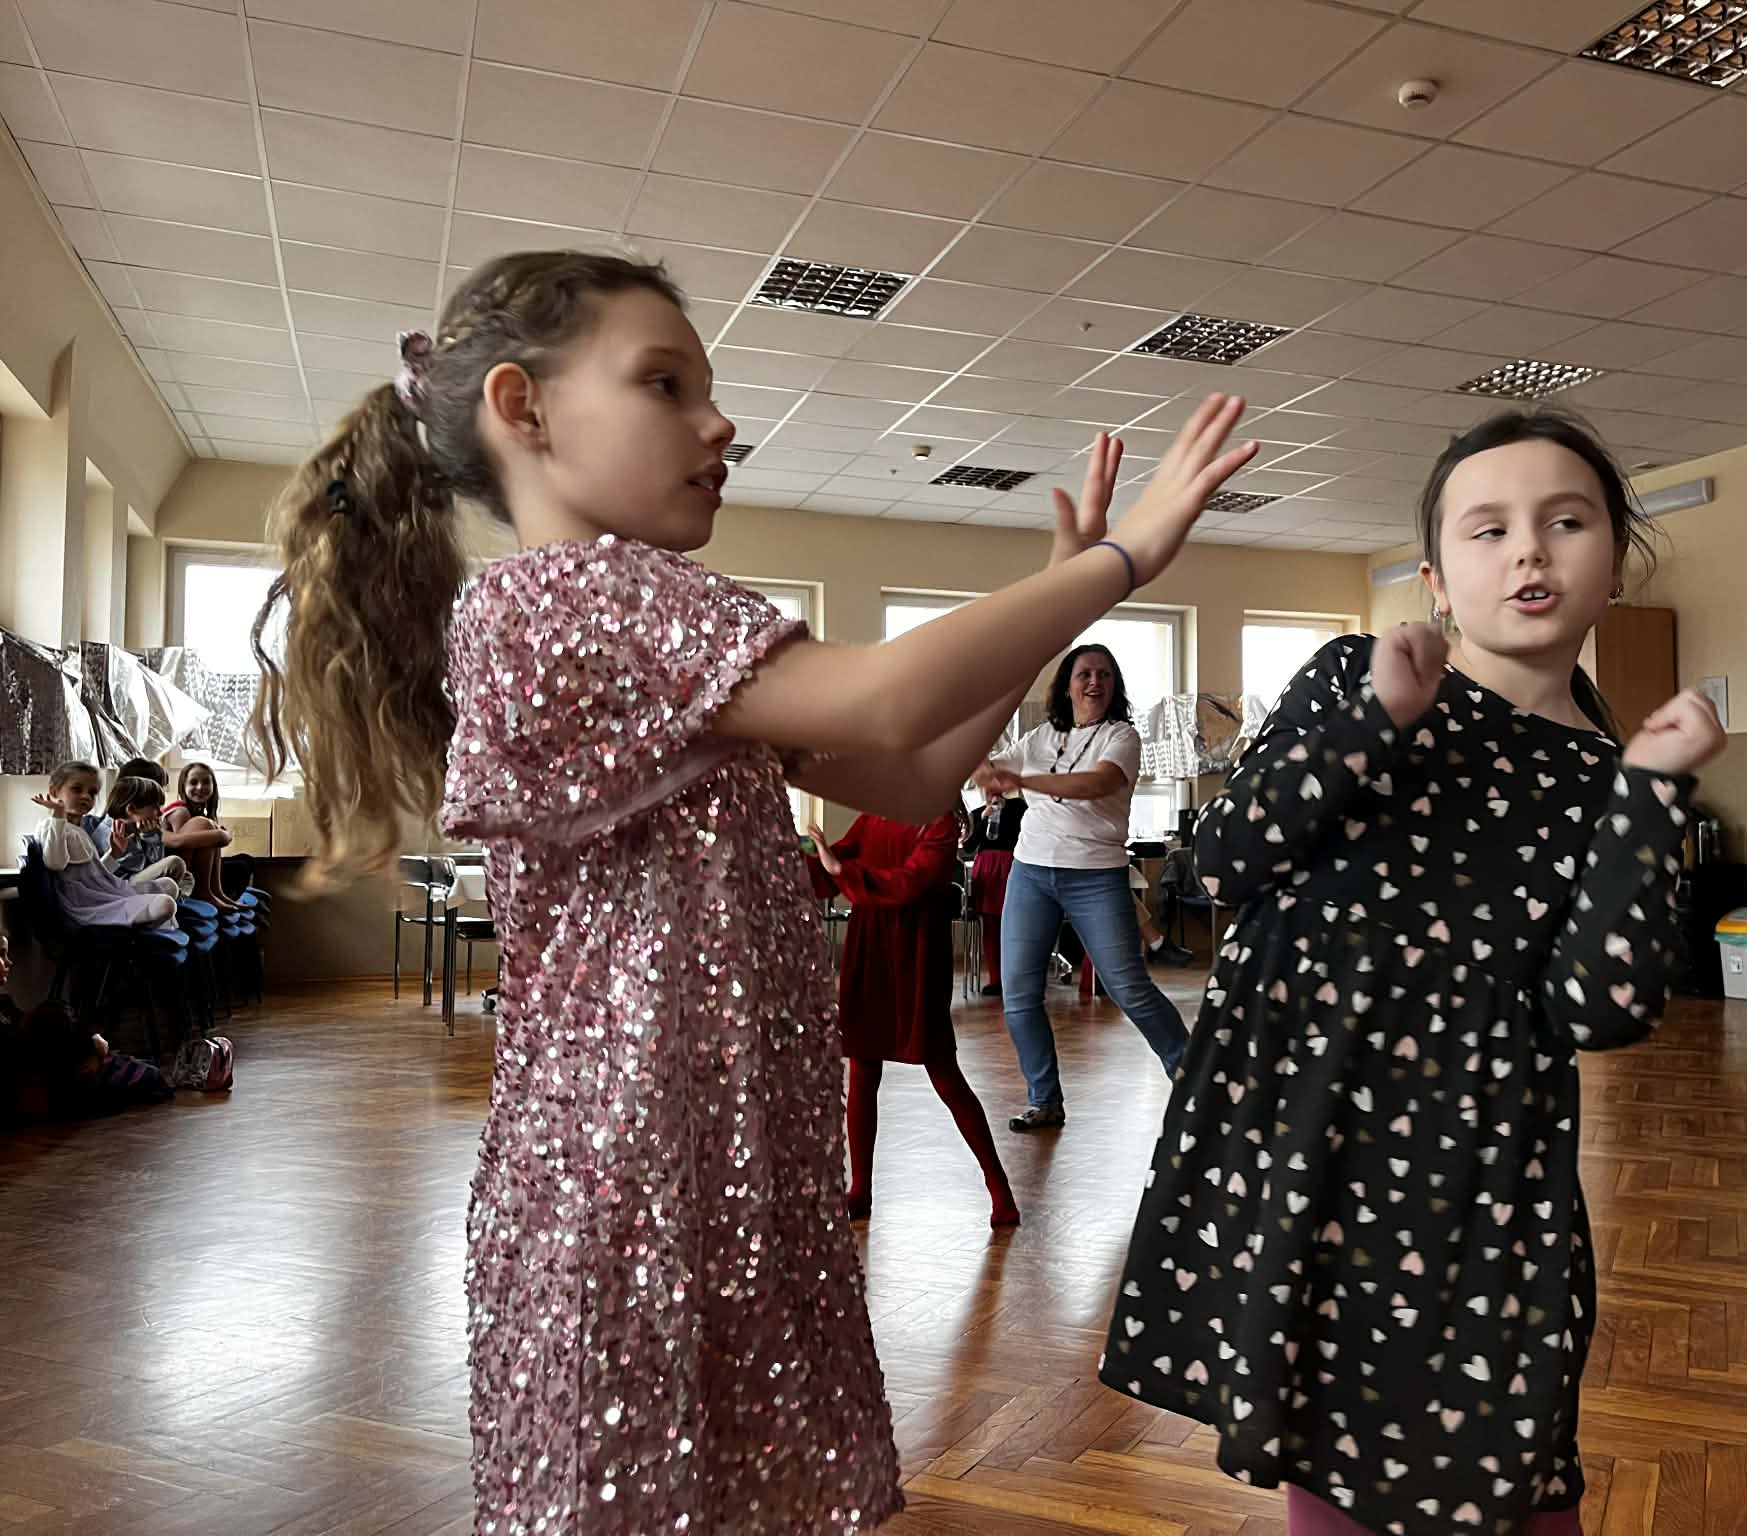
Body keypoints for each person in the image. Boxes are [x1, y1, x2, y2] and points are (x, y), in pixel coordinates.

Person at [244, 249, 1257, 1534]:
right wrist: (1110, 564)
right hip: (632, 1174)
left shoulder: (640, 621)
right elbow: (883, 696)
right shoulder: (575, 599)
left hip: (721, 1156)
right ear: (522, 407)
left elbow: (907, 772)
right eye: (664, 384)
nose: (718, 423)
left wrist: (1052, 618)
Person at [1100, 409, 1727, 1536]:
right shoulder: (1356, 676)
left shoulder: (1608, 776)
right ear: (1435, 579)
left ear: (1614, 565)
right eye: (1489, 530)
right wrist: (1380, 716)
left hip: (1473, 1176)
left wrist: (1650, 795)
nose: (1528, 551)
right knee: (1327, 1454)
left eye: (1565, 522)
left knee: (1504, 1475)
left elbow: (1598, 1008)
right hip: (1300, 1141)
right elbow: (1226, 856)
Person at [974, 640, 1191, 1132]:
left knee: (1128, 988)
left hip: (1096, 874)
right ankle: (1044, 1100)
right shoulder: (1042, 736)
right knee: (1019, 994)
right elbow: (992, 771)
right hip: (1031, 871)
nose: (1095, 682)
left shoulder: (1122, 736)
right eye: (1085, 674)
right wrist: (982, 764)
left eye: (1104, 675)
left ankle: (1192, 1079)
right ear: (1067, 686)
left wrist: (1024, 782)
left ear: (1114, 686)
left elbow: (1097, 783)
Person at [807, 814, 1018, 1228]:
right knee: (863, 1068)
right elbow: (830, 866)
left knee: (944, 1072)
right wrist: (794, 854)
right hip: (870, 948)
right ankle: (860, 1189)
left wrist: (841, 870)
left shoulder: (939, 823)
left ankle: (1000, 1189)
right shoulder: (872, 818)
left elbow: (911, 881)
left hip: (916, 955)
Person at [30, 762, 182, 934]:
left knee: (169, 886)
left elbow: (94, 876)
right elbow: (55, 863)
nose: (86, 796)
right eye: (77, 789)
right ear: (54, 791)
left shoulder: (78, 829)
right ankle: (137, 931)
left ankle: (138, 921)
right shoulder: (50, 826)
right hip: (87, 904)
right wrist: (58, 815)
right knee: (165, 904)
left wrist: (113, 854)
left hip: (102, 891)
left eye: (92, 793)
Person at [963, 792, 1025, 996]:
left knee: (1016, 925)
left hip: (1011, 865)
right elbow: (968, 847)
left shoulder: (1019, 808)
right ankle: (995, 979)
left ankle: (1015, 978)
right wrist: (983, 820)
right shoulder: (977, 813)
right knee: (990, 926)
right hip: (987, 870)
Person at [163, 762, 245, 911]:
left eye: (206, 782)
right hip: (173, 874)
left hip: (186, 869)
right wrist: (219, 835)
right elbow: (184, 847)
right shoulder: (181, 811)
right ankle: (204, 893)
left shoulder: (200, 814)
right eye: (193, 782)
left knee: (210, 829)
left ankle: (217, 892)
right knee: (204, 827)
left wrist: (216, 834)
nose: (200, 787)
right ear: (183, 787)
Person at [103, 775, 195, 897]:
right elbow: (140, 867)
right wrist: (150, 838)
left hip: (138, 879)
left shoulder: (137, 828)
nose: (160, 813)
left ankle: (175, 895)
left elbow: (156, 864)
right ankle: (173, 896)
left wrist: (152, 837)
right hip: (121, 884)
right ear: (131, 809)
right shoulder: (111, 832)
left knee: (187, 876)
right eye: (155, 807)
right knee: (175, 863)